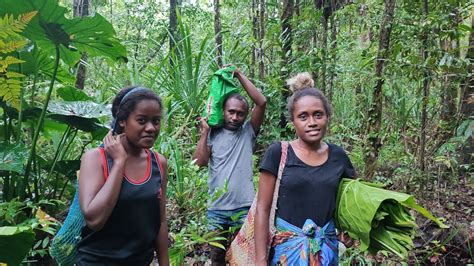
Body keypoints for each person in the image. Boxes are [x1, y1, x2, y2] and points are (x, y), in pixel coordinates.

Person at [255, 73, 355, 265]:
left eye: (318, 114)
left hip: (325, 253)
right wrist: (260, 260)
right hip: (286, 253)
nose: (312, 122)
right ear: (293, 121)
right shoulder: (278, 153)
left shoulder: (339, 157)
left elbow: (347, 206)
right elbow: (263, 208)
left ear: (327, 117)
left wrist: (348, 232)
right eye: (303, 116)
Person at [76, 86, 169, 265]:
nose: (151, 128)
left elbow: (161, 220)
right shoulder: (96, 158)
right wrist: (119, 162)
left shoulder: (159, 162)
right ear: (122, 121)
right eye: (141, 120)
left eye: (156, 121)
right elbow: (94, 220)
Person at [193, 67, 267, 265]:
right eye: (231, 112)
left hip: (244, 207)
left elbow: (261, 102)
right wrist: (204, 133)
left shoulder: (247, 132)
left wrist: (240, 75)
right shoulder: (213, 135)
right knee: (216, 258)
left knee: (242, 258)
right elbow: (199, 163)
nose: (235, 117)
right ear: (223, 111)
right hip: (216, 209)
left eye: (240, 114)